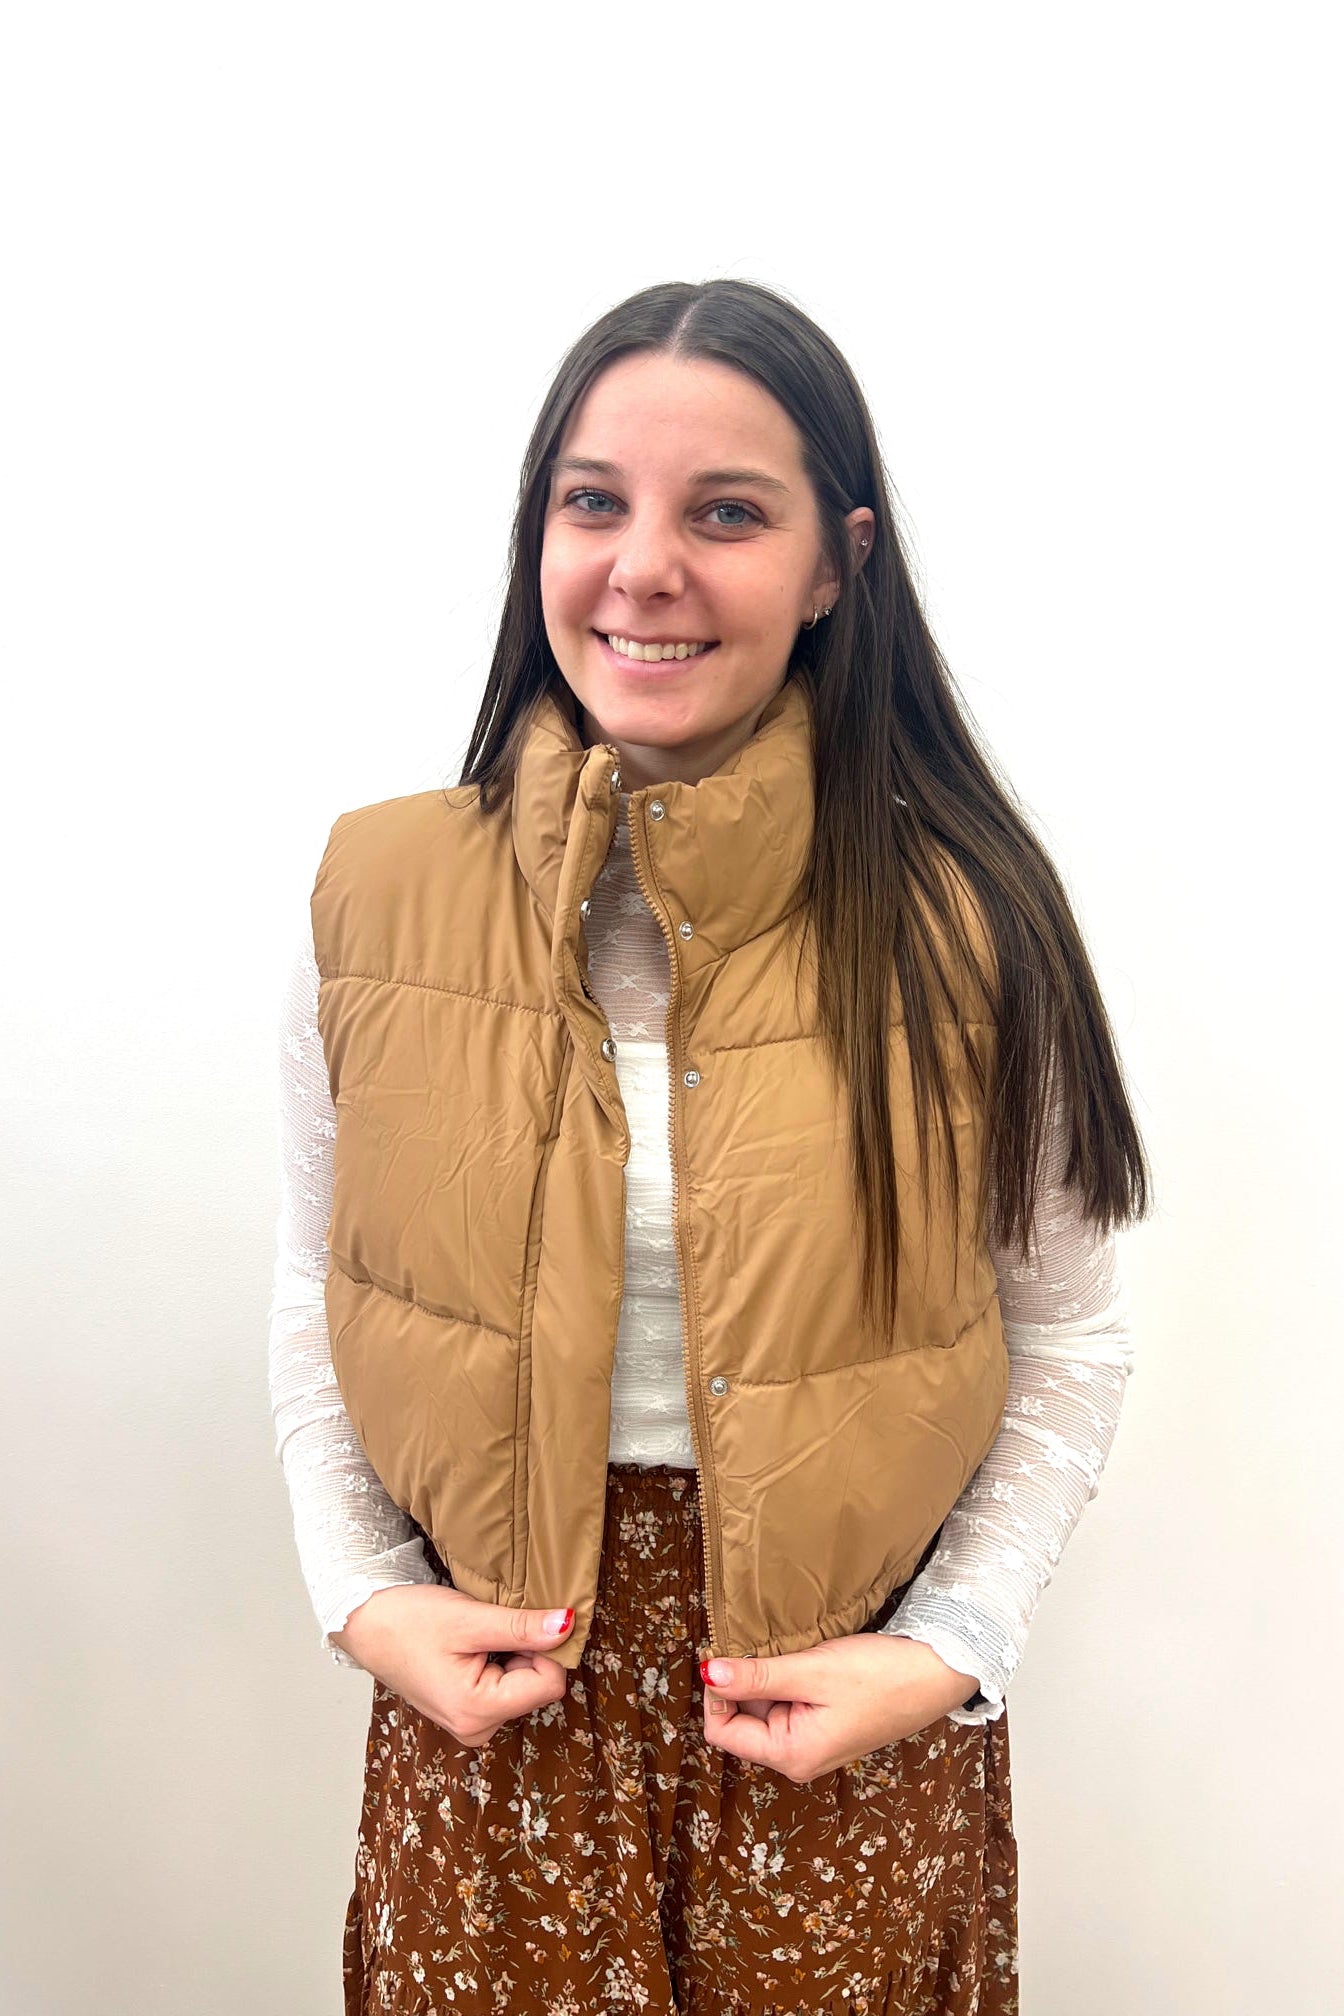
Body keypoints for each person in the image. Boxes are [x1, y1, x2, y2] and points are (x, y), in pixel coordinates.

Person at [268, 277, 1149, 2016]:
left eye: (725, 512)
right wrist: (364, 1596)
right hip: (495, 1734)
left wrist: (948, 1655)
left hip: (842, 1743)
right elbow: (319, 1280)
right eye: (593, 501)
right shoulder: (379, 895)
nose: (643, 565)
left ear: (838, 563)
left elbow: (1067, 1330)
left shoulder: (970, 923)